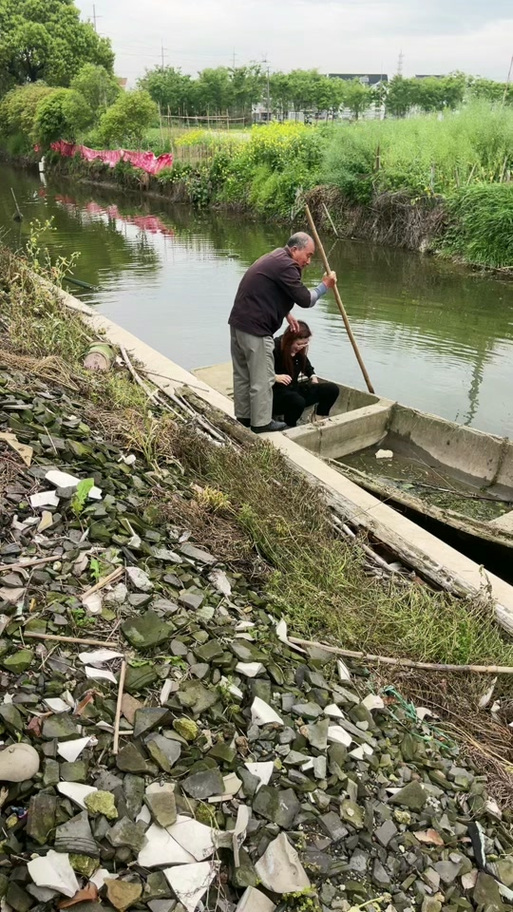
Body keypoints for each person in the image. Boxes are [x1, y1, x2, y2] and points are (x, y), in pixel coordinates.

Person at [228, 232, 336, 434]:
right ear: (295, 250)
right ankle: (261, 424)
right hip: (256, 328)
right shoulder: (287, 265)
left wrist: (286, 313)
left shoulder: (275, 257)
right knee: (261, 379)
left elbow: (266, 290)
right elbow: (305, 299)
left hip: (239, 324)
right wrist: (324, 286)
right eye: (308, 255)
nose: (308, 261)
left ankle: (244, 418)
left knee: (243, 375)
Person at [273, 321, 339, 427]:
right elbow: (258, 370)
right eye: (298, 344)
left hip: (292, 389)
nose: (301, 347)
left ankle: (317, 417)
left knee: (331, 389)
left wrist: (313, 376)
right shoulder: (274, 348)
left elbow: (307, 365)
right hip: (275, 394)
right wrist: (274, 377)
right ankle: (289, 425)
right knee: (297, 401)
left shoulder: (299, 351)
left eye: (305, 344)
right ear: (289, 340)